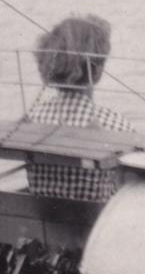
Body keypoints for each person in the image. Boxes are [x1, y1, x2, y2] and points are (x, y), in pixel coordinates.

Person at [24, 14, 137, 202]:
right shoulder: (116, 126)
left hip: (46, 222)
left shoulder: (32, 118)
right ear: (98, 69)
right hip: (98, 226)